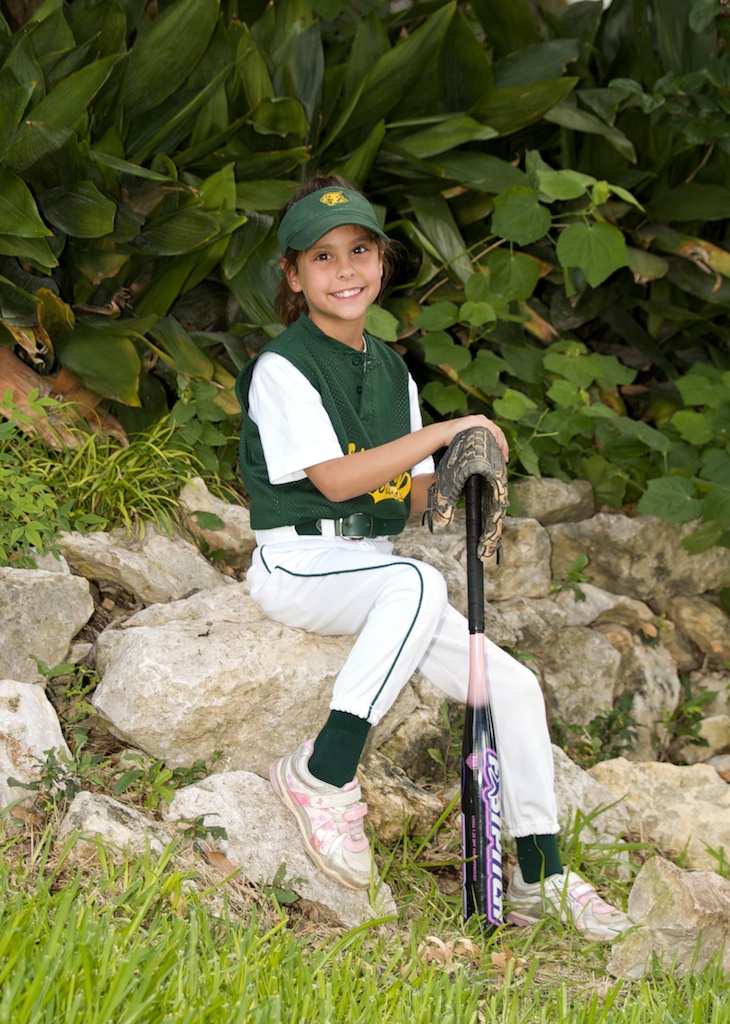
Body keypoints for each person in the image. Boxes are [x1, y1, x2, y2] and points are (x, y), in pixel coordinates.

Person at [235, 174, 630, 942]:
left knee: (511, 686)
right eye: (322, 257)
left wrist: (460, 480)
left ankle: (539, 875)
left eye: (360, 250)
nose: (345, 270)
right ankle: (322, 773)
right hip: (299, 567)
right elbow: (337, 479)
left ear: (381, 262)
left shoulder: (390, 371)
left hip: (376, 575)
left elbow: (407, 493)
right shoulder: (284, 367)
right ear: (292, 276)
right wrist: (443, 432)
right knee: (418, 579)